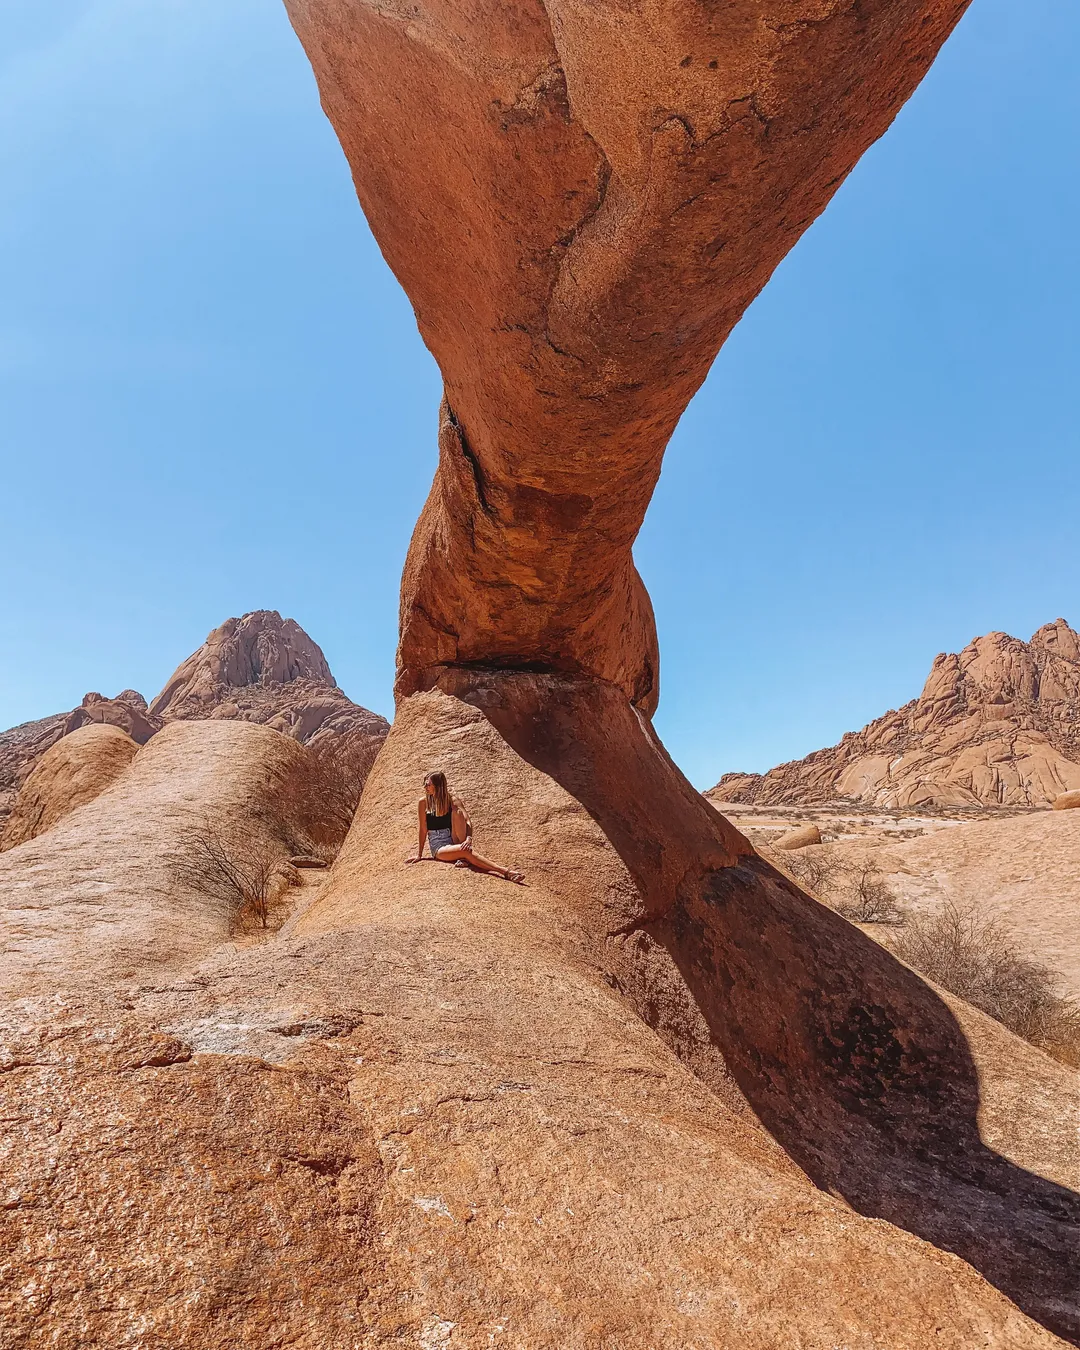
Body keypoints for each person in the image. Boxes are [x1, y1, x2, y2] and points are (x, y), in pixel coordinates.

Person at [405, 771, 524, 883]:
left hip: (454, 837)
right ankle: (505, 872)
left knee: (457, 813)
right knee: (465, 851)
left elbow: (466, 820)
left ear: (437, 786)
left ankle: (463, 855)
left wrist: (468, 838)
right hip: (439, 845)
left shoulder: (451, 800)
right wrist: (419, 854)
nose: (425, 787)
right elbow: (423, 829)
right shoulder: (423, 802)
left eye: (428, 785)